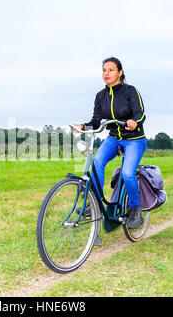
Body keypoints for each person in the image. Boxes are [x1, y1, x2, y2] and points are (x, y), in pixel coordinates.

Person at [71, 57, 147, 229]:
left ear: (120, 73)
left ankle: (135, 209)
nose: (106, 73)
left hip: (134, 140)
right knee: (97, 161)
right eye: (104, 70)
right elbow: (96, 121)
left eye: (111, 70)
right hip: (114, 138)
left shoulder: (130, 91)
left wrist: (135, 121)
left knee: (128, 173)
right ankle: (95, 203)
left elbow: (140, 113)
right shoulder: (100, 96)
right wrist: (83, 126)